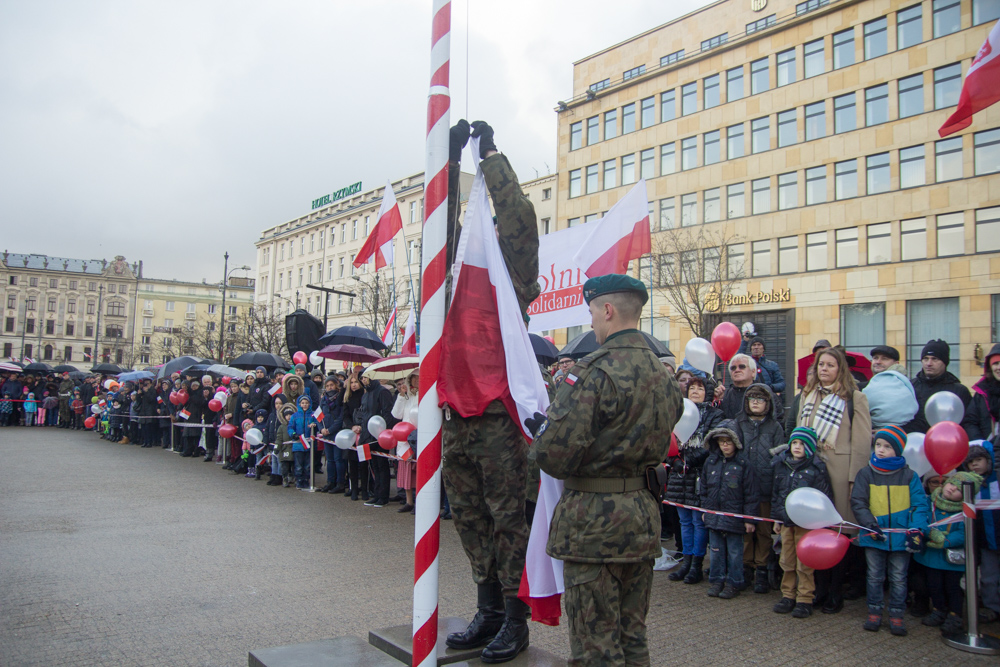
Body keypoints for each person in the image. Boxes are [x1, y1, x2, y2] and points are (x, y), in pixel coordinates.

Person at [533, 274, 680, 666]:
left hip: (593, 526)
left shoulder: (593, 372)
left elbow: (553, 457)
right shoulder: (662, 375)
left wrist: (542, 434)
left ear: (608, 310)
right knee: (633, 638)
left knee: (595, 646)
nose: (593, 323)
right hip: (641, 517)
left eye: (593, 313)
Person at [440, 120, 541, 664]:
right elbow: (442, 230)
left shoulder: (514, 273)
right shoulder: (456, 266)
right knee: (470, 515)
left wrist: (491, 158)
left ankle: (515, 618)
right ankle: (489, 610)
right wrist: (451, 164)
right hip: (456, 406)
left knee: (508, 520)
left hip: (499, 409)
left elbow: (521, 219)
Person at [794, 346, 872, 613]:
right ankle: (819, 589)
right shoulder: (807, 395)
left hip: (839, 474)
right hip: (812, 472)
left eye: (830, 365)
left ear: (841, 369)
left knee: (837, 534)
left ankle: (836, 592)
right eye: (821, 365)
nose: (824, 369)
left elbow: (862, 445)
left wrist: (854, 481)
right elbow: (799, 434)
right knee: (815, 531)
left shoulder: (855, 398)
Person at [850, 425, 929, 636]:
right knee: (874, 576)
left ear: (898, 450)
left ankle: (896, 614)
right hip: (874, 535)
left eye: (887, 446)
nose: (881, 450)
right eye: (878, 445)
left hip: (901, 539)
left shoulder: (909, 476)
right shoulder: (865, 473)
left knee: (898, 577)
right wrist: (870, 524)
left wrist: (917, 529)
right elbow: (858, 502)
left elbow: (920, 505)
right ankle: (874, 612)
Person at [770, 427, 833, 618]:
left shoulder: (816, 469)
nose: (797, 447)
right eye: (795, 443)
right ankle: (788, 594)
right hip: (787, 522)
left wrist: (819, 522)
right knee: (787, 560)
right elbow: (777, 494)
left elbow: (824, 496)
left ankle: (805, 598)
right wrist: (777, 518)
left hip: (807, 525)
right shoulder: (782, 465)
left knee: (805, 563)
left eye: (802, 444)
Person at [665, 374, 722, 585]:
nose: (695, 391)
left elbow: (710, 444)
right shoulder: (677, 412)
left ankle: (697, 565)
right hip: (680, 474)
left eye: (700, 388)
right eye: (692, 388)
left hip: (700, 475)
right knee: (684, 522)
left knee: (698, 522)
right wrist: (673, 460)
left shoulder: (715, 415)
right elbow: (668, 438)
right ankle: (686, 562)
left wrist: (688, 460)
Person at [730, 383, 784, 594]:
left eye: (760, 400)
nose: (755, 403)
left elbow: (779, 458)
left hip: (765, 486)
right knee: (744, 530)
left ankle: (761, 568)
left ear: (768, 403)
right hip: (742, 487)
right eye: (752, 399)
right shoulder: (739, 424)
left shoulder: (775, 427)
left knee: (762, 531)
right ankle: (745, 568)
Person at [916, 471, 983, 634]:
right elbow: (920, 519)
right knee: (934, 585)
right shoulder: (929, 502)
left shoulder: (966, 510)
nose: (952, 489)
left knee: (952, 587)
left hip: (952, 560)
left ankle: (955, 615)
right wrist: (929, 533)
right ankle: (939, 610)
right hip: (931, 556)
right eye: (952, 484)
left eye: (959, 489)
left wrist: (946, 540)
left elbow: (964, 532)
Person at [699, 426, 760, 599]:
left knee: (735, 552)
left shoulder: (744, 464)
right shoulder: (710, 462)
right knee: (716, 550)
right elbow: (703, 487)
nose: (725, 446)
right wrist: (705, 509)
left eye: (728, 442)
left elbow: (751, 493)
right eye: (721, 442)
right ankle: (717, 580)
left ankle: (734, 582)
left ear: (736, 443)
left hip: (735, 515)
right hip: (714, 513)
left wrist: (749, 519)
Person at [906, 339, 989, 439]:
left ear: (945, 362)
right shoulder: (910, 387)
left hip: (947, 446)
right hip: (914, 445)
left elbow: (968, 423)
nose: (929, 363)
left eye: (935, 359)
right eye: (925, 358)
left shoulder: (959, 391)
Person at [966, 442, 1000, 623]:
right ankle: (992, 607)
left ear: (988, 460)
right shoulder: (970, 485)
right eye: (971, 462)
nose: (975, 465)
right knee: (988, 577)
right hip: (986, 541)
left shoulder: (997, 480)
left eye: (979, 460)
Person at [358, 373, 395, 508]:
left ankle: (383, 496)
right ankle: (377, 494)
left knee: (382, 465)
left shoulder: (383, 392)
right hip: (368, 434)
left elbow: (387, 413)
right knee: (374, 465)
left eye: (365, 377)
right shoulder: (366, 393)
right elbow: (364, 413)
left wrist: (382, 431)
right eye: (361, 378)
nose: (363, 380)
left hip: (380, 434)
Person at [863, 345, 918, 430]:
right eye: (875, 358)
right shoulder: (863, 387)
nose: (878, 361)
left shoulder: (905, 387)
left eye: (884, 359)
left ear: (896, 364)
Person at [391, 371, 419, 513]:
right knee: (406, 471)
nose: (415, 381)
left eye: (418, 378)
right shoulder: (405, 396)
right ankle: (409, 501)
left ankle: (419, 500)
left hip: (418, 437)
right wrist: (401, 396)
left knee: (418, 471)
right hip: (404, 439)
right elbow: (396, 414)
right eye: (413, 379)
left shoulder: (424, 395)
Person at [341, 373, 368, 501]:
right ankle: (354, 490)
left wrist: (361, 426)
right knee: (352, 462)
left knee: (363, 462)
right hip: (351, 432)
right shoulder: (347, 397)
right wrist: (352, 426)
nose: (353, 385)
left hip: (363, 431)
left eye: (356, 382)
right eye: (351, 383)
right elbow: (345, 415)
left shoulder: (365, 396)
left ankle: (365, 489)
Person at [318, 376, 346, 493]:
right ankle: (330, 481)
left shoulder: (340, 399)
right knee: (329, 460)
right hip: (326, 433)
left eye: (332, 385)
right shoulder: (323, 399)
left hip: (336, 433)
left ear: (336, 386)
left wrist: (331, 429)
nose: (330, 388)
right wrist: (321, 429)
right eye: (328, 386)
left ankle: (340, 483)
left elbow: (341, 417)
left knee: (338, 459)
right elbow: (318, 416)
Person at [968, 343, 1000, 441]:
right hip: (987, 453)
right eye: (995, 363)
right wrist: (981, 444)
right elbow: (970, 422)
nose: (999, 367)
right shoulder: (981, 394)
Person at [287, 394, 317, 490]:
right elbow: (290, 427)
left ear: (309, 404)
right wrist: (293, 434)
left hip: (309, 445)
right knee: (298, 465)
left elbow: (317, 424)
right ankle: (299, 479)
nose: (304, 405)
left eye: (306, 403)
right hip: (298, 444)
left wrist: (314, 425)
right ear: (299, 404)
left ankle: (306, 479)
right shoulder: (295, 416)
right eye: (303, 403)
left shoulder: (312, 415)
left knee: (308, 465)